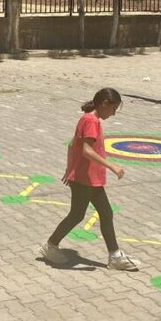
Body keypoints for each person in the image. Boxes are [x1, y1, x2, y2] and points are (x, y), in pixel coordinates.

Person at [39, 88, 140, 271]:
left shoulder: (88, 118)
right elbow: (86, 150)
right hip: (85, 178)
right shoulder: (91, 121)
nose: (114, 113)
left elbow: (72, 144)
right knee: (79, 214)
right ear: (104, 104)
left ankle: (115, 255)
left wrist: (70, 169)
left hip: (87, 177)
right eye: (113, 109)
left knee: (104, 213)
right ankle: (51, 246)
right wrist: (112, 166)